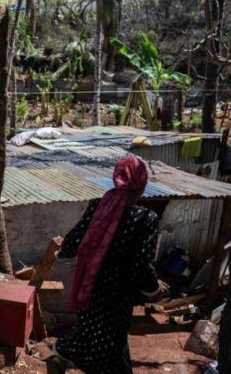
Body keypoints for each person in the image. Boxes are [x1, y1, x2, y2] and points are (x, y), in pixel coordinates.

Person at [53, 156, 168, 374]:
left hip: (88, 291)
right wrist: (154, 291)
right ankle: (65, 352)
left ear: (117, 178)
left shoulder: (98, 207)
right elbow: (141, 266)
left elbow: (70, 245)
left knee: (91, 335)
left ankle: (63, 351)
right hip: (116, 299)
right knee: (112, 349)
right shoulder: (146, 219)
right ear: (142, 185)